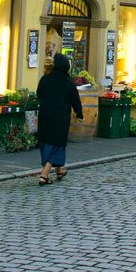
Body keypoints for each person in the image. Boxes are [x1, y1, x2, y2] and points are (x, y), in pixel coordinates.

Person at [36, 52, 83, 185]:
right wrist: (79, 114)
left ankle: (59, 171)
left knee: (46, 144)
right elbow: (75, 100)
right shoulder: (68, 82)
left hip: (45, 116)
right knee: (56, 146)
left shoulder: (45, 79)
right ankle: (44, 175)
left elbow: (39, 93)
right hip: (60, 118)